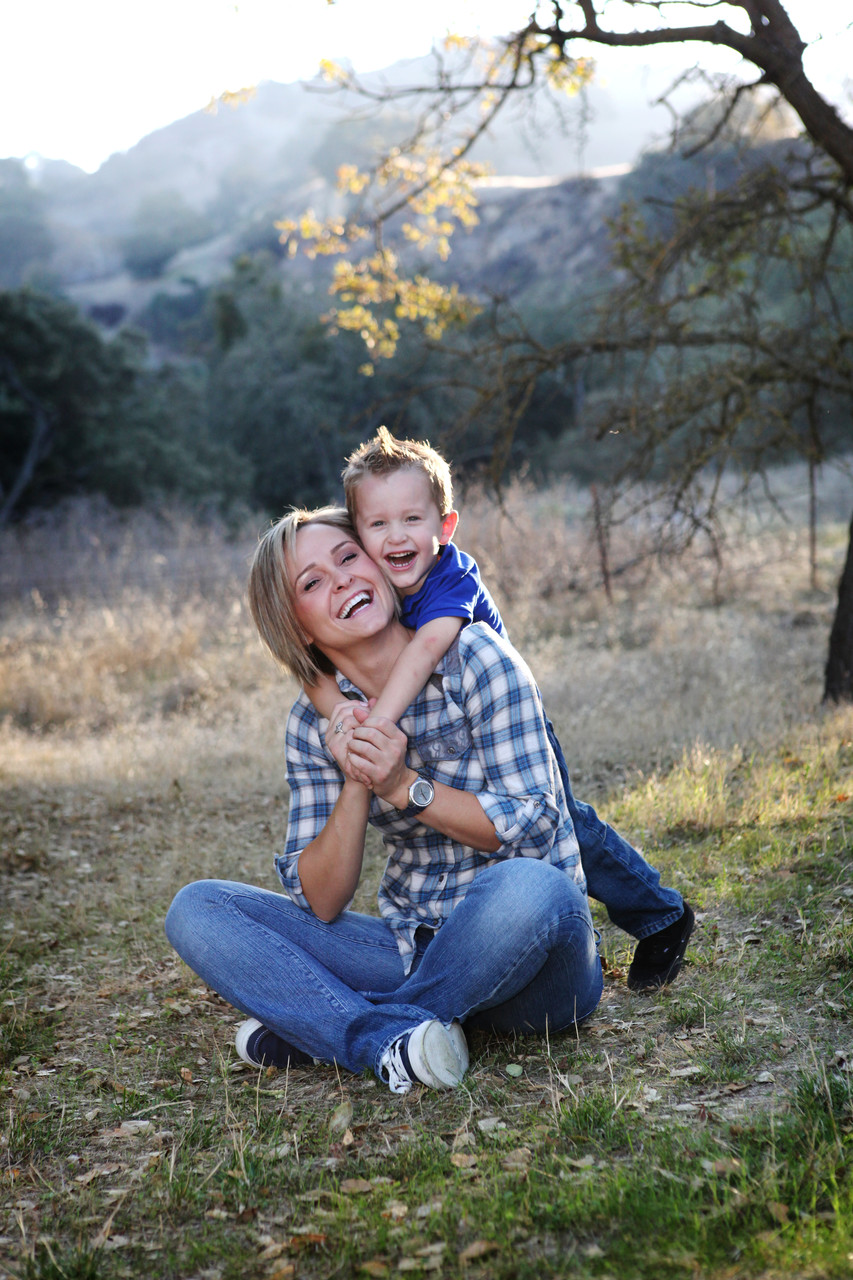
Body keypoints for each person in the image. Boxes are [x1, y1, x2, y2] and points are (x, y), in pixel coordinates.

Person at [165, 507, 604, 1094]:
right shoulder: (311, 724)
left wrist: (402, 786)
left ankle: (338, 1027)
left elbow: (534, 831)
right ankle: (392, 1042)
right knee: (197, 909)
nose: (342, 579)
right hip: (417, 948)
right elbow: (321, 901)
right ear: (296, 627)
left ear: (379, 564)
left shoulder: (475, 658)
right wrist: (357, 775)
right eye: (312, 582)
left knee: (526, 883)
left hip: (544, 963)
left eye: (348, 557)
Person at [304, 428, 693, 990]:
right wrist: (339, 708)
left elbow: (423, 655)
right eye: (378, 524)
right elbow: (310, 667)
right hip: (451, 730)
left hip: (508, 720)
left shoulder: (449, 578)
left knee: (562, 822)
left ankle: (657, 914)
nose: (396, 536)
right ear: (359, 534)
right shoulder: (373, 582)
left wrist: (374, 726)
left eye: (412, 519)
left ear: (446, 525)